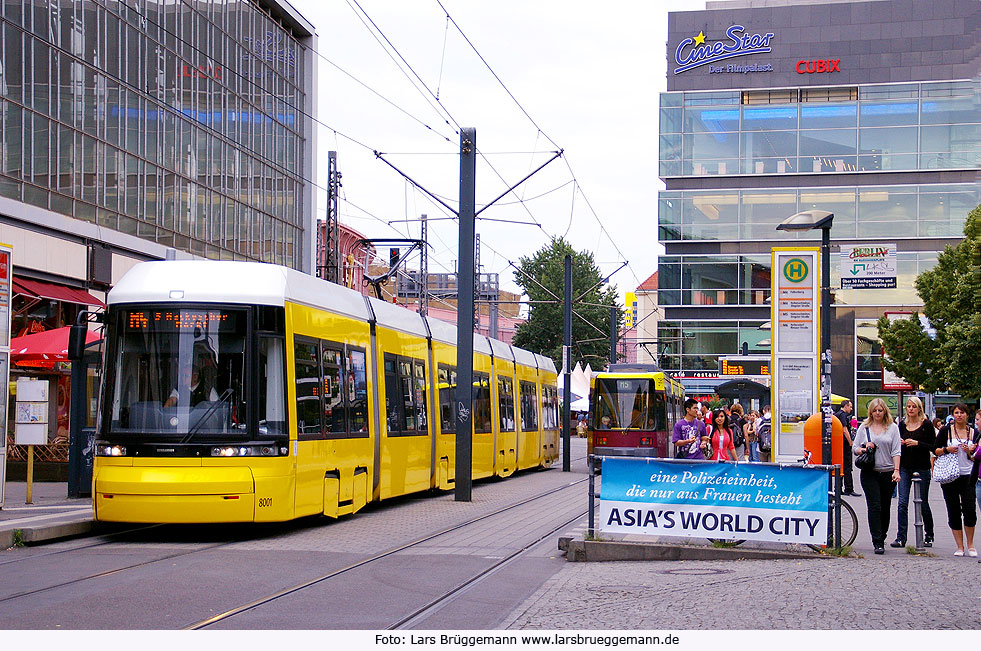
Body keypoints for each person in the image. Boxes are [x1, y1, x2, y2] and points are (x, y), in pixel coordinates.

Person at [852, 398, 901, 555]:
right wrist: (864, 448)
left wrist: (896, 470)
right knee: (874, 506)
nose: (878, 413)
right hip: (870, 472)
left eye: (880, 410)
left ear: (885, 411)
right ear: (870, 412)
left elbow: (896, 451)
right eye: (875, 411)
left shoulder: (892, 428)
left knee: (885, 506)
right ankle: (877, 540)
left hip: (887, 472)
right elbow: (855, 448)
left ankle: (883, 534)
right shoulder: (864, 427)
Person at [934, 403, 979, 557]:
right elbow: (935, 450)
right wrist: (947, 449)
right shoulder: (946, 431)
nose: (959, 415)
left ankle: (970, 544)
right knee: (953, 510)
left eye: (962, 412)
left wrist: (969, 452)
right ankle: (959, 546)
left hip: (968, 475)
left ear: (967, 415)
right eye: (956, 412)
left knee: (970, 510)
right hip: (949, 475)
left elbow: (976, 457)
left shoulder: (974, 432)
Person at [891, 397, 936, 548]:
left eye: (913, 407)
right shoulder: (902, 425)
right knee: (902, 502)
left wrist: (917, 443)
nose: (910, 409)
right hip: (905, 466)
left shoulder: (926, 425)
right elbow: (896, 443)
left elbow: (933, 446)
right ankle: (901, 536)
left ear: (919, 409)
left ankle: (929, 534)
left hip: (922, 467)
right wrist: (902, 443)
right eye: (908, 406)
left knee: (923, 502)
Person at [835, 399, 860, 496]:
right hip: (844, 444)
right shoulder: (843, 415)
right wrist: (850, 442)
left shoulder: (837, 415)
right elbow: (845, 429)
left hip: (839, 444)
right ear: (845, 406)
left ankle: (838, 488)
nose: (851, 408)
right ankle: (849, 488)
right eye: (850, 406)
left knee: (841, 466)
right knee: (847, 466)